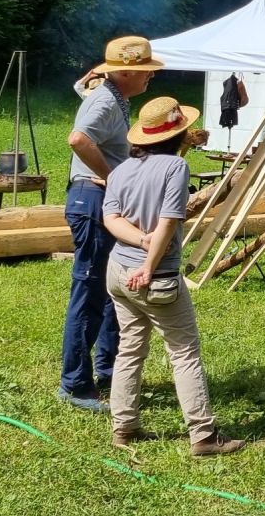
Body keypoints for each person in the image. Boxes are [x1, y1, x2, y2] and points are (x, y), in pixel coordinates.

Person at [101, 98, 244, 457]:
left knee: (130, 349)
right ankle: (203, 437)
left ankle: (124, 427)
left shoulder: (120, 169)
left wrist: (139, 241)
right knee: (184, 352)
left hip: (118, 272)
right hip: (155, 277)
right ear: (180, 133)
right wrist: (149, 265)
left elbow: (111, 219)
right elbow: (168, 220)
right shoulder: (175, 168)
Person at [59, 34, 161, 413]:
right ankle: (75, 384)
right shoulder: (105, 99)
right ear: (124, 73)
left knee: (108, 291)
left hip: (99, 200)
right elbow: (78, 139)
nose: (150, 78)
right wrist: (112, 177)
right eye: (145, 72)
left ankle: (108, 368)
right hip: (91, 199)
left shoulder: (111, 97)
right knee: (88, 295)